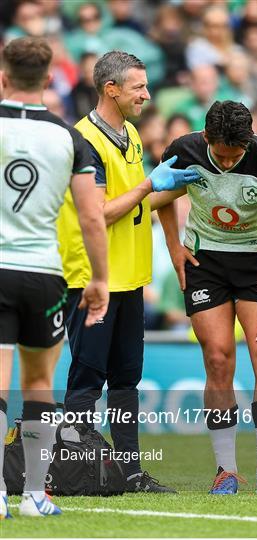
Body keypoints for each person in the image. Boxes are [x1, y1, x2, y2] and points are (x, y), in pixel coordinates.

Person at [58, 50, 199, 493]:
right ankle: (72, 471)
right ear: (111, 89)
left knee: (126, 382)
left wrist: (174, 189)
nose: (147, 93)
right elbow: (98, 213)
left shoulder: (130, 133)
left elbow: (136, 202)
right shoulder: (83, 141)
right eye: (138, 86)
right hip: (92, 281)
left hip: (130, 277)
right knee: (87, 379)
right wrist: (149, 183)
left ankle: (131, 472)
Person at [158, 100, 257, 495]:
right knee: (218, 359)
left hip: (256, 263)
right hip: (206, 262)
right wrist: (174, 248)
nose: (230, 162)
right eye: (222, 155)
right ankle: (226, 471)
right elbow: (161, 195)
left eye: (238, 155)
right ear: (206, 138)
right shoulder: (183, 150)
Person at [0, 37, 109, 517]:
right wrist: (100, 278)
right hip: (45, 273)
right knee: (40, 383)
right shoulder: (69, 137)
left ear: (3, 76)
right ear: (48, 80)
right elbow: (91, 217)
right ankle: (35, 495)